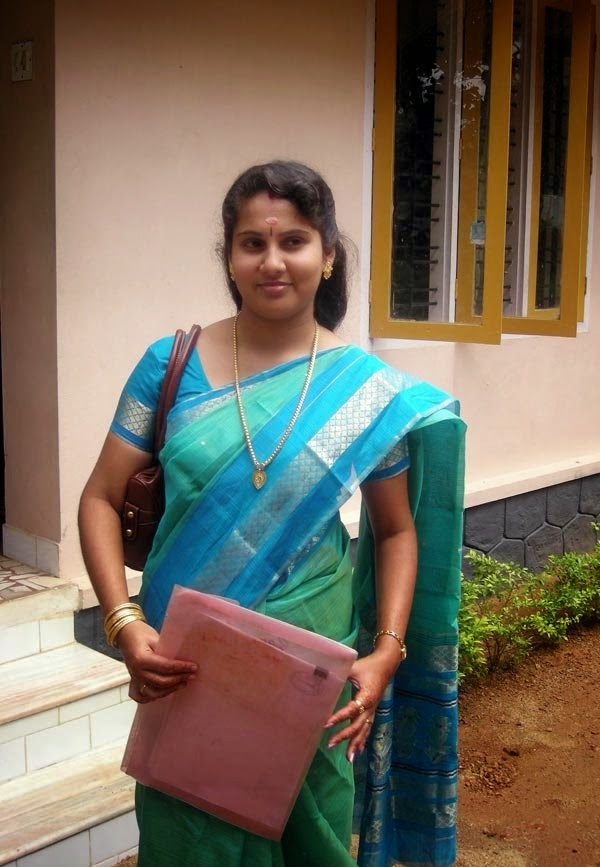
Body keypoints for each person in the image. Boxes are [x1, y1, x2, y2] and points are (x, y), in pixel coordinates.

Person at [78, 160, 465, 867]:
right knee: (190, 843)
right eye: (252, 243)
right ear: (229, 257)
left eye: (294, 241)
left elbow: (396, 530)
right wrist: (123, 622)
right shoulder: (169, 364)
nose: (273, 261)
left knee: (311, 840)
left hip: (311, 674)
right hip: (187, 669)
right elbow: (101, 497)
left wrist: (387, 649)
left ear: (328, 254)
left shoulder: (362, 395)